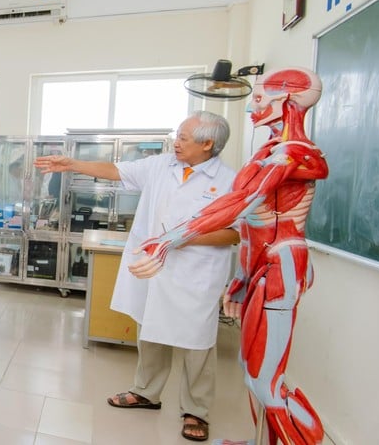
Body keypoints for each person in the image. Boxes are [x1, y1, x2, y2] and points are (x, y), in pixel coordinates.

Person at [127, 68, 330, 445]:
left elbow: (239, 204)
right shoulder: (268, 152)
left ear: (285, 100)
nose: (251, 106)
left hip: (283, 263)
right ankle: (259, 439)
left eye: (259, 98)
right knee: (251, 369)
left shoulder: (295, 153)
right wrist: (241, 278)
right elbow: (253, 221)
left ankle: (303, 439)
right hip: (260, 267)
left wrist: (169, 239)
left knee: (266, 378)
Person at [35, 111, 238, 443]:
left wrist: (179, 238)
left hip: (196, 274)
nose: (177, 142)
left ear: (207, 143)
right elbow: (116, 170)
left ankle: (196, 411)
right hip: (153, 268)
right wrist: (72, 163)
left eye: (184, 137)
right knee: (151, 329)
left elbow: (233, 234)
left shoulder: (230, 181)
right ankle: (146, 392)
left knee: (197, 343)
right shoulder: (162, 165)